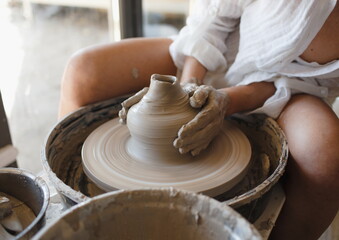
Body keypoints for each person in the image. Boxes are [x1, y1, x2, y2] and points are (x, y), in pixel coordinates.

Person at [58, 0, 339, 239]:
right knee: (84, 72)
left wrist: (228, 100)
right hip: (212, 58)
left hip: (287, 93)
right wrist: (187, 86)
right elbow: (213, 17)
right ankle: (72, 210)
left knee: (327, 154)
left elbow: (309, 81)